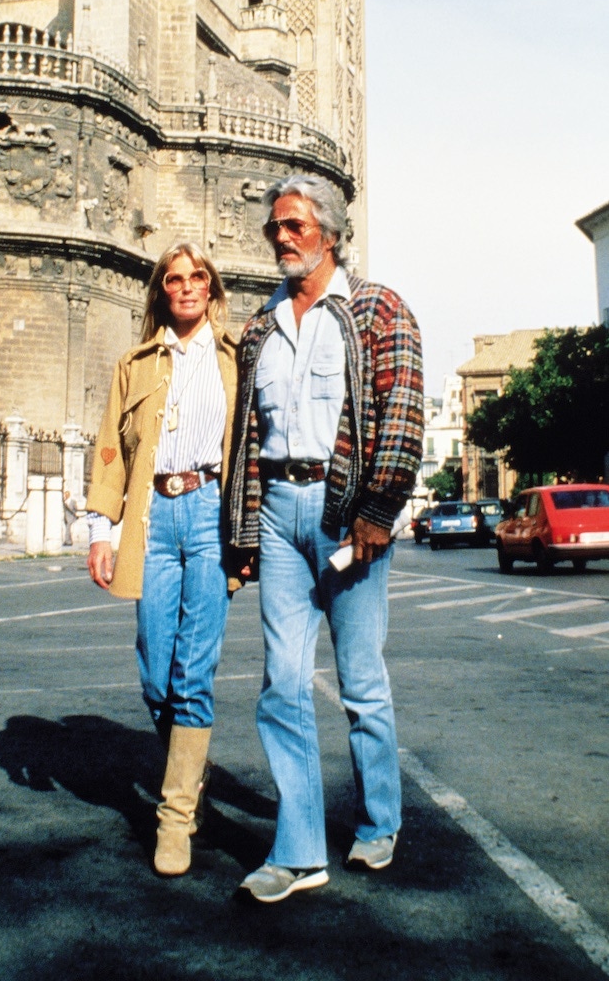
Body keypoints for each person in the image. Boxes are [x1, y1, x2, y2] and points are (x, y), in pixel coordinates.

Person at [229, 174, 424, 903]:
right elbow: (248, 438)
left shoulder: (378, 310)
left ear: (332, 234)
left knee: (361, 681)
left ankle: (379, 821)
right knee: (282, 681)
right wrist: (243, 533)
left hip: (347, 511)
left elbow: (401, 412)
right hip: (279, 510)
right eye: (275, 227)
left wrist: (380, 508)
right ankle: (300, 848)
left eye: (296, 226)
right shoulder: (259, 328)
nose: (282, 237)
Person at [85, 242, 239, 877]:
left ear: (211, 287)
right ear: (160, 291)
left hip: (209, 515)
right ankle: (189, 772)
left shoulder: (237, 360)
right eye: (174, 279)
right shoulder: (134, 363)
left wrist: (250, 537)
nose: (186, 287)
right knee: (155, 674)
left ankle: (174, 819)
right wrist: (101, 528)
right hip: (152, 515)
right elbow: (112, 448)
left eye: (196, 276)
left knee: (192, 674)